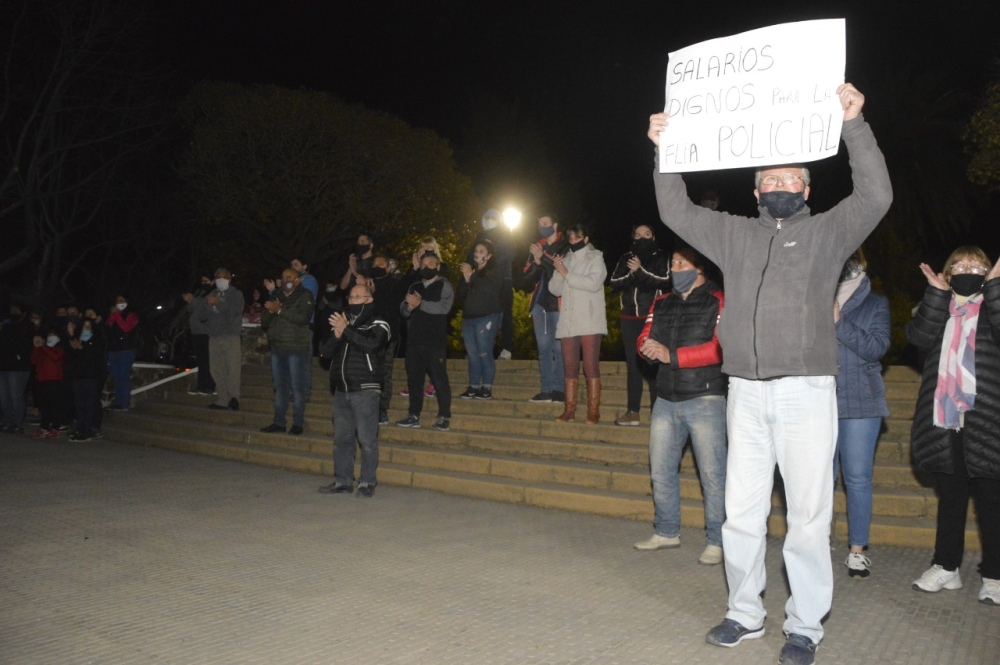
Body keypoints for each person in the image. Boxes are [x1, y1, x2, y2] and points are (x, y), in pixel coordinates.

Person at [648, 82, 892, 664]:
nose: (779, 186)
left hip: (807, 390)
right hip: (744, 392)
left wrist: (854, 124)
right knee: (741, 513)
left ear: (806, 190)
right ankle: (744, 613)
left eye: (791, 179)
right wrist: (664, 150)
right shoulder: (733, 233)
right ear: (755, 189)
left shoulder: (827, 232)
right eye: (769, 179)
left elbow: (876, 195)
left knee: (807, 515)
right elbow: (674, 210)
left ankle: (805, 625)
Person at [907, 247, 1000, 606]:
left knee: (991, 501)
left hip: (987, 419)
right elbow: (918, 337)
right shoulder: (936, 308)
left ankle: (994, 575)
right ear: (947, 272)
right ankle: (947, 567)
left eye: (978, 266)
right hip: (944, 419)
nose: (969, 270)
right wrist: (936, 294)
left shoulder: (992, 308)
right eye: (960, 265)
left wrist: (994, 290)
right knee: (951, 497)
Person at [634, 247, 727, 566]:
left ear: (699, 269)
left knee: (713, 474)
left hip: (706, 397)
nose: (674, 268)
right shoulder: (661, 302)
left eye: (681, 263)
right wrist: (646, 348)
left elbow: (719, 348)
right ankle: (666, 531)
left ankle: (718, 539)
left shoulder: (718, 299)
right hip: (666, 398)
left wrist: (671, 356)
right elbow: (646, 335)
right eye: (673, 264)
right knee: (660, 470)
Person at [832, 249, 890, 579]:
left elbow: (876, 347)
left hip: (861, 403)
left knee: (856, 478)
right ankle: (816, 542)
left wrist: (838, 322)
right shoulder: (815, 295)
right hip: (819, 401)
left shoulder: (875, 303)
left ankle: (857, 551)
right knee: (818, 480)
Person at [319, 284, 390, 497]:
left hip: (365, 389)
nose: (354, 299)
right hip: (341, 390)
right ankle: (342, 480)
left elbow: (373, 345)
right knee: (342, 439)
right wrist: (338, 334)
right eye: (351, 296)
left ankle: (367, 482)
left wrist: (347, 330)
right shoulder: (342, 320)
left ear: (369, 299)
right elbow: (324, 352)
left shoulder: (379, 321)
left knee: (367, 440)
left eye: (359, 296)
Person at [609, 224, 671, 426]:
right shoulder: (625, 258)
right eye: (638, 234)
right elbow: (615, 281)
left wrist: (640, 270)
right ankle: (633, 411)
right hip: (628, 318)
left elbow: (663, 281)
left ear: (653, 236)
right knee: (633, 366)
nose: (642, 237)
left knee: (652, 363)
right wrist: (633, 272)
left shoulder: (661, 256)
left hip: (652, 317)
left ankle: (657, 413)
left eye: (647, 234)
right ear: (633, 237)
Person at [548, 224, 607, 424]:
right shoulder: (567, 259)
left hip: (590, 320)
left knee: (590, 366)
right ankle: (569, 410)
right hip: (569, 321)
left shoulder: (596, 258)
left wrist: (566, 273)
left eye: (577, 237)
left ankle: (593, 411)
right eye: (571, 238)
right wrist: (558, 270)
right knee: (570, 367)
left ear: (586, 239)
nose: (573, 241)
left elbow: (593, 283)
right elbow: (555, 290)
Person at [396, 252, 453, 431]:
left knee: (439, 379)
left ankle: (444, 416)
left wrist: (421, 304)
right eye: (423, 264)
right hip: (414, 341)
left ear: (437, 266)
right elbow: (403, 310)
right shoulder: (414, 285)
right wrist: (408, 307)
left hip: (435, 342)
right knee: (414, 380)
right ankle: (413, 415)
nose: (426, 267)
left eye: (430, 263)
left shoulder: (444, 284)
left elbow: (444, 307)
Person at [260, 268, 316, 435]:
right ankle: (279, 422)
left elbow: (303, 318)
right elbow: (264, 320)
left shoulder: (305, 295)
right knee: (280, 387)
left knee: (297, 388)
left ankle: (297, 423)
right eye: (283, 277)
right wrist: (271, 311)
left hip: (296, 349)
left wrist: (279, 310)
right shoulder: (276, 295)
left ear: (297, 280)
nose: (286, 280)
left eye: (290, 277)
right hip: (277, 348)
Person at [523, 213, 568, 403]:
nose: (543, 226)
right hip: (539, 303)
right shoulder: (537, 247)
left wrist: (544, 258)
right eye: (540, 224)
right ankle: (546, 389)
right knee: (543, 349)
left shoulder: (565, 244)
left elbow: (562, 269)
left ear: (555, 225)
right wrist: (537, 262)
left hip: (558, 302)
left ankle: (559, 390)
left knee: (559, 349)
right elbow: (527, 277)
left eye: (546, 223)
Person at [192, 268, 245, 411]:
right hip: (214, 337)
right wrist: (208, 304)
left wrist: (218, 303)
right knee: (216, 369)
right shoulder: (211, 294)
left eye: (224, 277)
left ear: (229, 279)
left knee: (232, 368)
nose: (221, 280)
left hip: (230, 336)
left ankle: (234, 398)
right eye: (218, 277)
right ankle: (222, 399)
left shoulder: (236, 294)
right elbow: (202, 316)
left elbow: (236, 311)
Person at [458, 241, 504, 400]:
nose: (478, 252)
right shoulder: (472, 272)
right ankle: (473, 386)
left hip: (487, 316)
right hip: (469, 318)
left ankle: (486, 387)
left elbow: (489, 290)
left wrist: (472, 276)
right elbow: (461, 293)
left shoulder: (495, 271)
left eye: (482, 250)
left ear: (489, 255)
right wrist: (466, 278)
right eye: (476, 250)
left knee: (484, 352)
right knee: (472, 354)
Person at [365, 255, 403, 424]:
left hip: (388, 337)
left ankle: (382, 409)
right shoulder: (366, 284)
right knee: (368, 373)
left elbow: (390, 307)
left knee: (384, 373)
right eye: (374, 265)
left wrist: (375, 294)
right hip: (369, 336)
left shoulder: (395, 284)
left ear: (388, 268)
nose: (377, 267)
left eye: (381, 265)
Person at [473, 209, 515, 359]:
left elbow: (510, 254)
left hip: (504, 279)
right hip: (484, 281)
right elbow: (473, 255)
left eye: (493, 217)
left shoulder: (506, 234)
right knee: (484, 314)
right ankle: (483, 349)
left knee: (505, 314)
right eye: (487, 217)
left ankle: (506, 348)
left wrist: (490, 260)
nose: (490, 220)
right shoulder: (480, 237)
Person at [66, 316, 108, 442]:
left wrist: (82, 349)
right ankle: (80, 429)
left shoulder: (97, 340)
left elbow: (95, 356)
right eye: (85, 325)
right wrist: (73, 342)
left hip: (92, 376)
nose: (87, 328)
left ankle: (88, 430)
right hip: (78, 376)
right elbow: (71, 358)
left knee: (89, 404)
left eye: (89, 326)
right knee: (79, 404)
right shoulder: (77, 339)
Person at [0, 303, 34, 434]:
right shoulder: (5, 325)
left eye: (16, 311)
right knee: (4, 396)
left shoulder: (27, 326)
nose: (13, 313)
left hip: (19, 366)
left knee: (16, 395)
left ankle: (18, 423)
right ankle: (7, 422)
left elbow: (24, 345)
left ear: (23, 313)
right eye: (12, 310)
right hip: (3, 364)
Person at [182, 276, 216, 396]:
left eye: (206, 281)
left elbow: (206, 307)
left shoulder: (214, 292)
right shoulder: (199, 293)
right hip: (196, 331)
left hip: (207, 331)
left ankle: (211, 386)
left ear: (212, 281)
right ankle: (201, 386)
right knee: (201, 360)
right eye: (202, 281)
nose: (203, 283)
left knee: (209, 360)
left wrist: (193, 300)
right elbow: (190, 309)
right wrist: (189, 301)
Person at [30, 329, 68, 438]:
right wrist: (37, 348)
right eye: (49, 335)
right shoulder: (43, 349)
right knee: (45, 405)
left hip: (55, 380)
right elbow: (34, 361)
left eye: (54, 335)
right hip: (43, 380)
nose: (51, 337)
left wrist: (43, 347)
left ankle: (55, 427)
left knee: (55, 405)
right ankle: (44, 427)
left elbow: (55, 357)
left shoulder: (60, 348)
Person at [105, 294, 139, 412]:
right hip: (114, 349)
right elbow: (108, 326)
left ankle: (124, 403)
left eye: (122, 300)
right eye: (118, 301)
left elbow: (126, 328)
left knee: (123, 376)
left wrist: (116, 314)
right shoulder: (114, 314)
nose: (120, 303)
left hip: (126, 349)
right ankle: (117, 402)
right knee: (116, 376)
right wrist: (112, 316)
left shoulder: (132, 315)